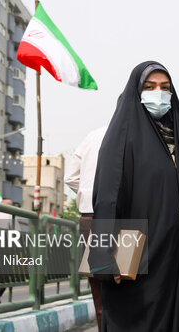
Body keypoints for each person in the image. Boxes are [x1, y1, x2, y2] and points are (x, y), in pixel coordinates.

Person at [89, 61, 179, 331]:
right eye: (150, 87)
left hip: (174, 254)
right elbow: (107, 198)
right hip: (133, 250)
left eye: (165, 88)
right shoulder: (121, 137)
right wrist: (106, 261)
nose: (159, 93)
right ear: (136, 92)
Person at [65, 125, 107, 329]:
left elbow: (70, 178)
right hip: (126, 220)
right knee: (132, 293)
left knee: (99, 296)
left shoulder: (92, 135)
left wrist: (90, 193)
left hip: (89, 217)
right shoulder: (139, 133)